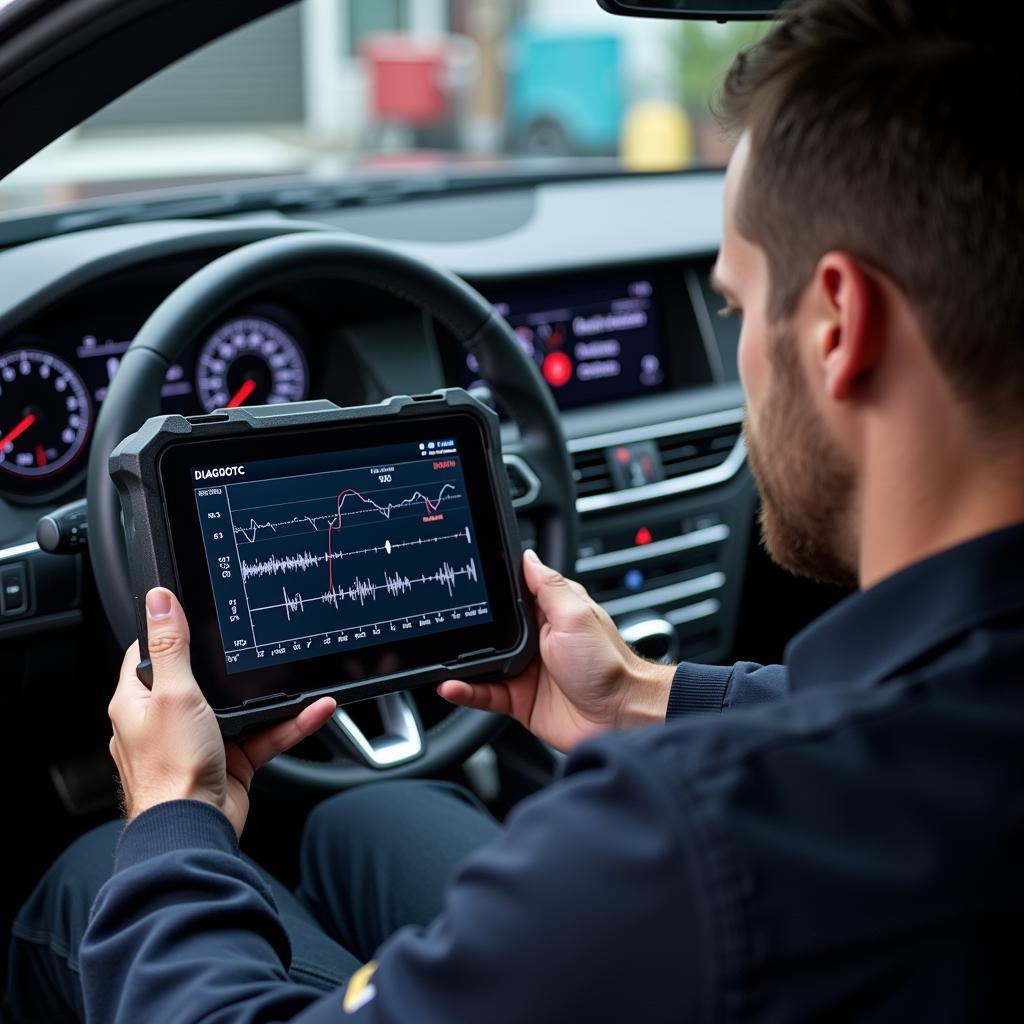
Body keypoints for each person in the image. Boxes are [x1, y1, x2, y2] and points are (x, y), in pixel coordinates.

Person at [8, 0, 1024, 1020]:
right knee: (379, 814)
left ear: (839, 324)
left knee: (96, 875)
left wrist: (174, 818)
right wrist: (636, 695)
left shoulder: (693, 839)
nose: (739, 347)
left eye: (735, 306)